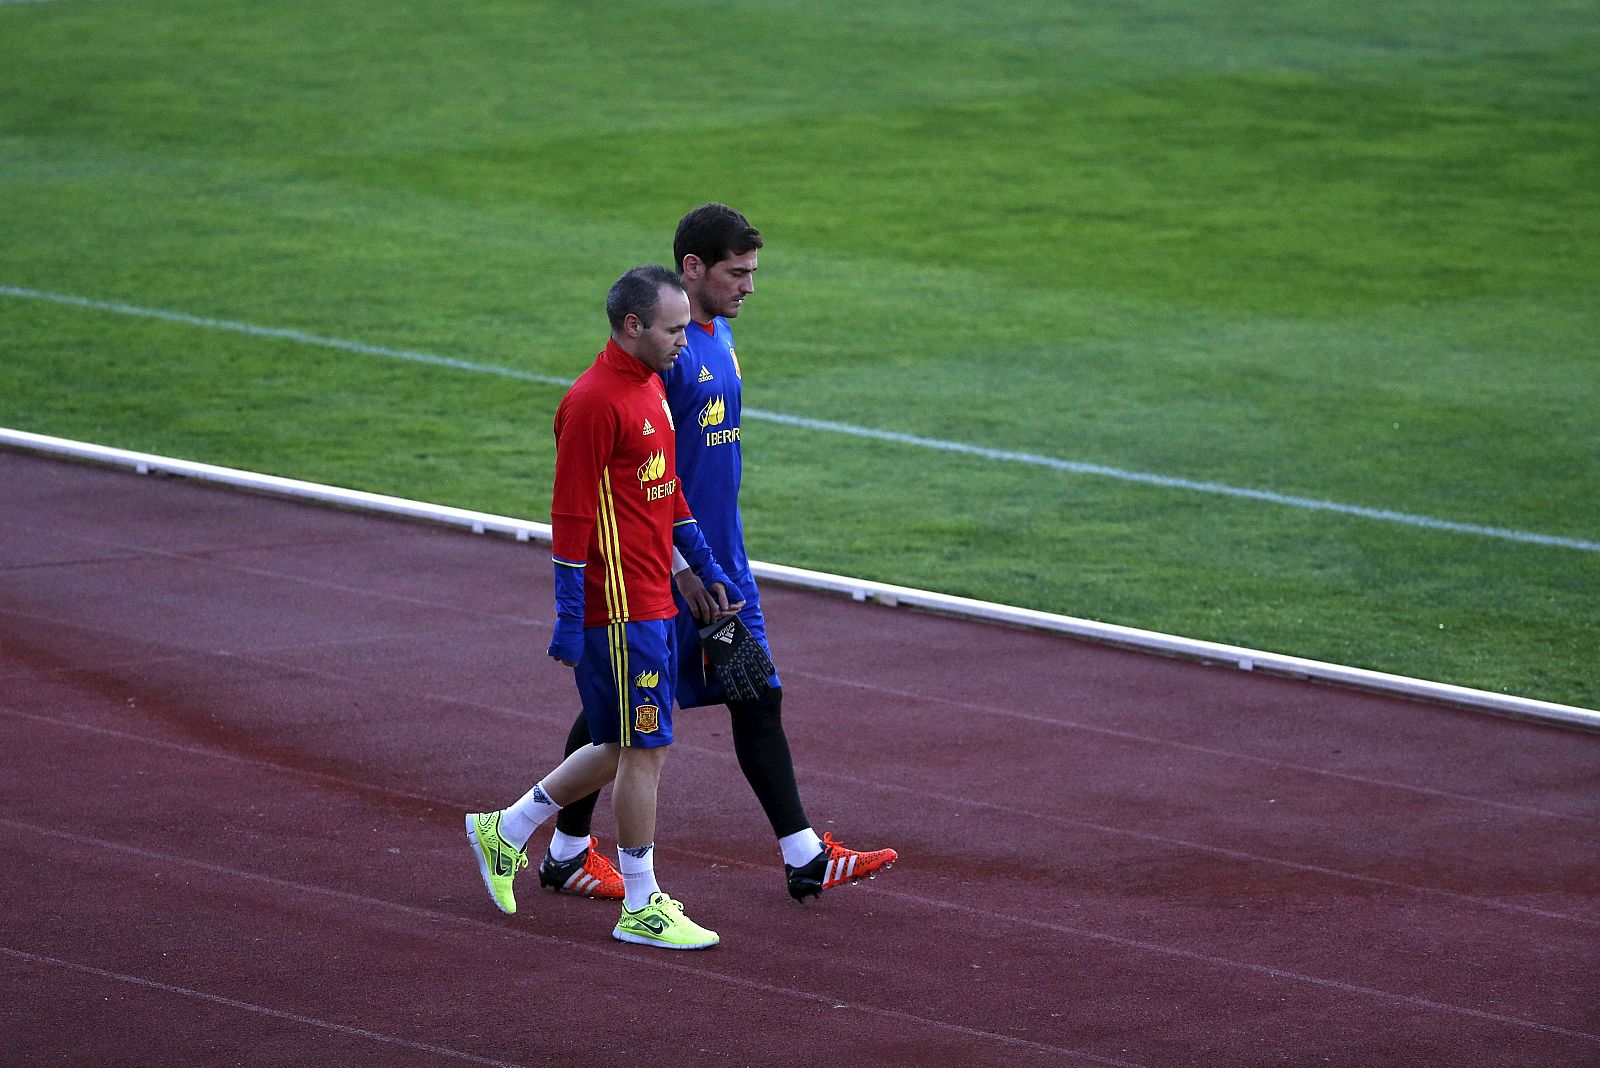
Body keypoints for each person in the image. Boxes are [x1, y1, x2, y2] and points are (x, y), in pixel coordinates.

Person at [536, 204, 898, 904]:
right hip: (671, 571)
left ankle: (802, 855)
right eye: (737, 273)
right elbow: (643, 476)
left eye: (753, 272)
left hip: (720, 560)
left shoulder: (720, 335)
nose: (749, 287)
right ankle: (564, 848)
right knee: (623, 713)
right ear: (693, 268)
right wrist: (682, 567)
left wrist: (710, 559)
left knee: (753, 692)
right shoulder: (661, 358)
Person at [466, 264, 742, 950]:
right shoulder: (592, 403)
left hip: (651, 600)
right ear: (632, 326)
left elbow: (668, 490)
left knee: (623, 744)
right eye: (674, 330)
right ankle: (642, 904)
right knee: (646, 748)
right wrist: (568, 619)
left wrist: (704, 570)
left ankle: (506, 829)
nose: (685, 342)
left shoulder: (651, 385)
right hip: (616, 610)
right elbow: (569, 519)